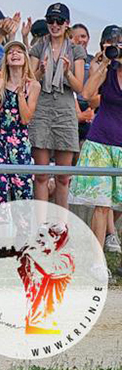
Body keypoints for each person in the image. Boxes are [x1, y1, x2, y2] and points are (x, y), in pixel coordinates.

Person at [28, 3, 86, 207]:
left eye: (59, 21)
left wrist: (68, 72)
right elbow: (29, 81)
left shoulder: (76, 50)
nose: (54, 24)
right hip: (42, 107)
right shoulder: (38, 46)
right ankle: (41, 226)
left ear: (67, 24)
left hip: (65, 109)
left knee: (63, 176)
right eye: (50, 20)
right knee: (41, 174)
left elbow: (80, 88)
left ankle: (62, 226)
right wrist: (41, 72)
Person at [70, 25, 122, 250]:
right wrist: (104, 66)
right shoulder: (105, 68)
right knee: (101, 205)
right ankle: (97, 261)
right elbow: (86, 94)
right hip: (100, 141)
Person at [0, 40, 40, 206]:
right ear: (6, 59)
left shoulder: (34, 85)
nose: (14, 54)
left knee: (22, 189)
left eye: (19, 51)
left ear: (25, 57)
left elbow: (26, 119)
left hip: (20, 140)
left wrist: (20, 95)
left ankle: (22, 231)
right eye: (10, 52)